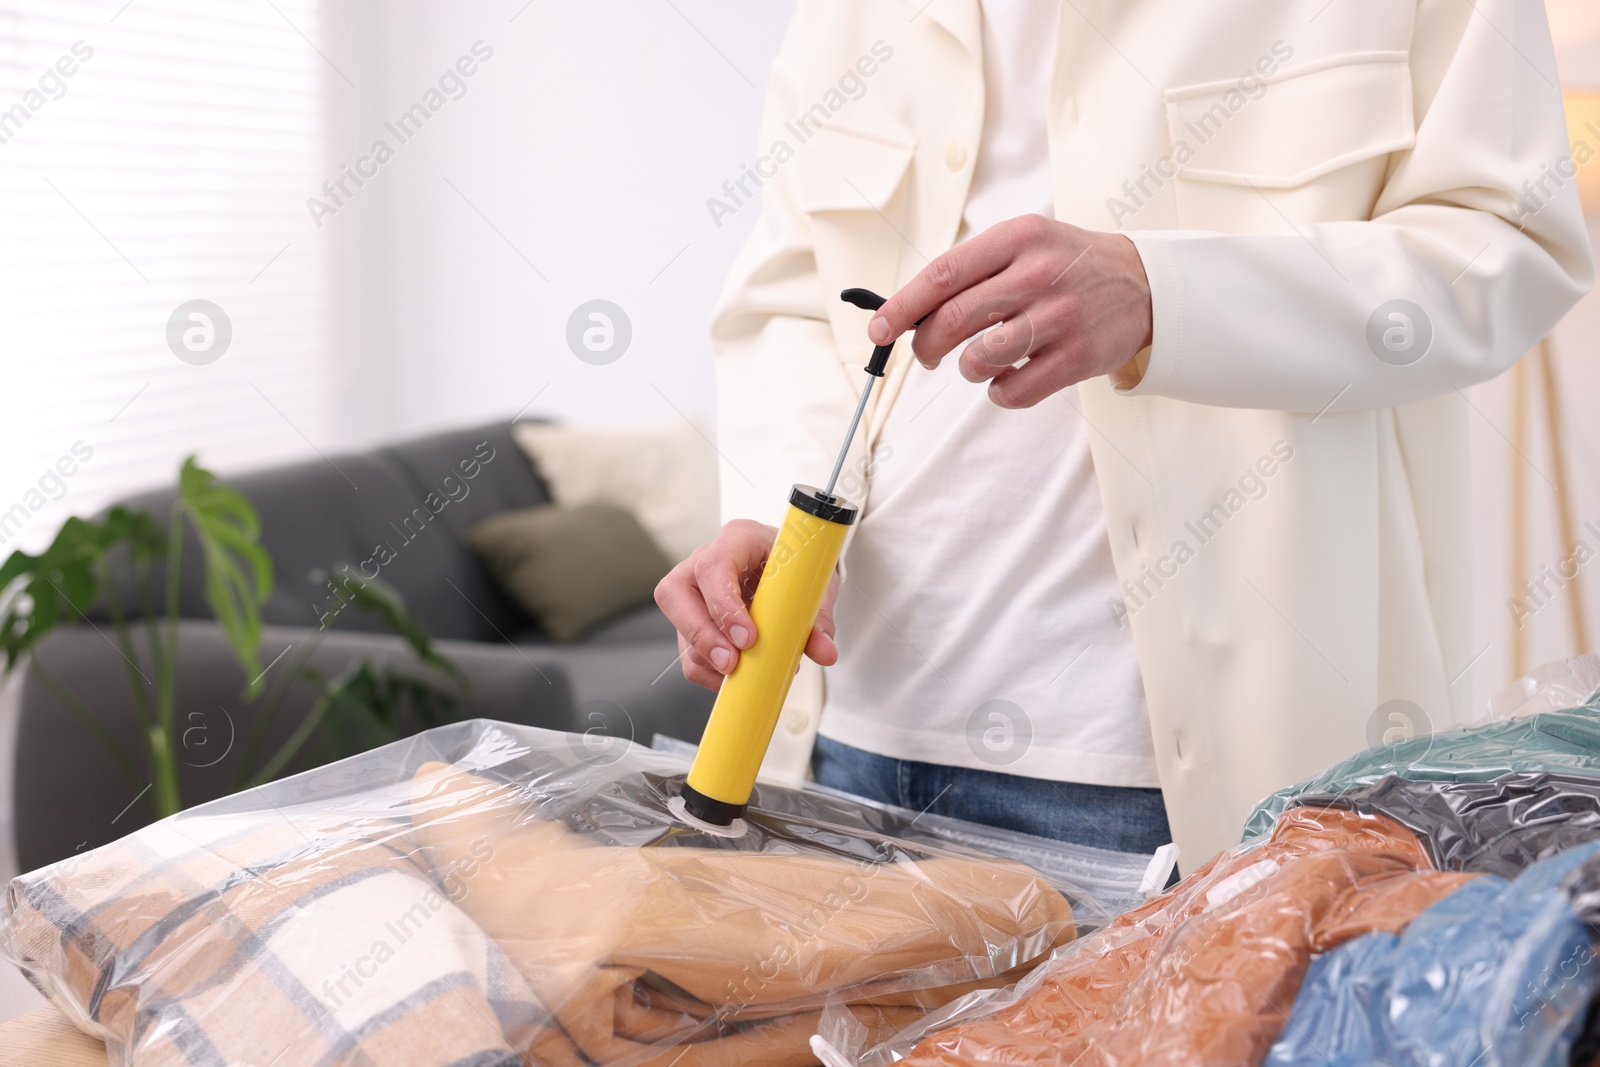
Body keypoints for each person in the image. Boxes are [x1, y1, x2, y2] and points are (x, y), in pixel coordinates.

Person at [656, 0, 1593, 869]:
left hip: (1180, 796)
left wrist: (1164, 296)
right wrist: (773, 511)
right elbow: (794, 304)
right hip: (844, 747)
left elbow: (1511, 245)